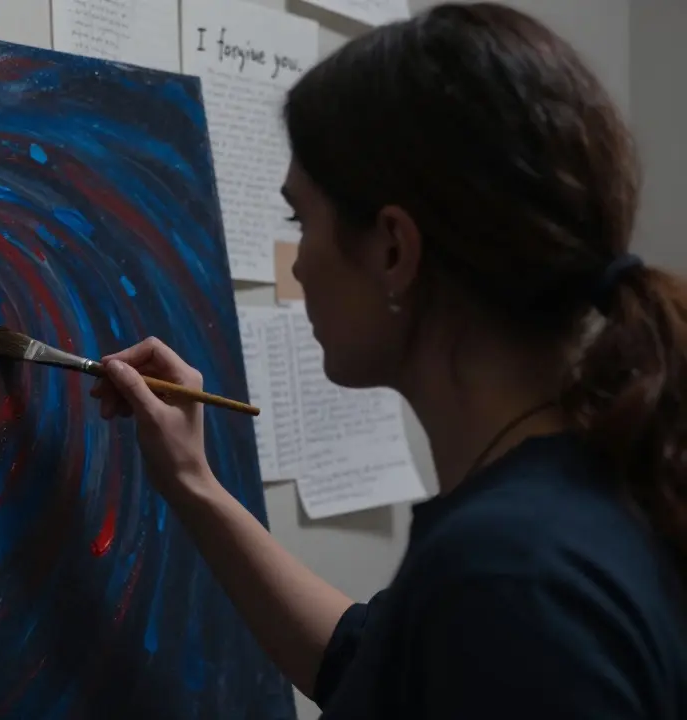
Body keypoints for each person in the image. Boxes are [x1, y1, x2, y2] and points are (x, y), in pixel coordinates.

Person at [90, 3, 687, 718]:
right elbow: (364, 661)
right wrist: (193, 483)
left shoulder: (513, 580)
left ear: (394, 251)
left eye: (300, 221)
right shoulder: (581, 493)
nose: (299, 264)